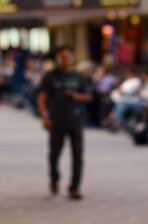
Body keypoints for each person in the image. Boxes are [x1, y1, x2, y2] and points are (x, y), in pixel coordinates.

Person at [37, 46, 92, 200]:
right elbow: (41, 97)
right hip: (57, 120)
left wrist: (75, 96)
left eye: (68, 58)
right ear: (57, 59)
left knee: (78, 155)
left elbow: (88, 96)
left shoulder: (79, 77)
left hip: (76, 120)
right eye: (62, 58)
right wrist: (44, 117)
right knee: (54, 155)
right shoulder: (50, 77)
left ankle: (75, 187)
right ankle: (54, 178)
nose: (65, 61)